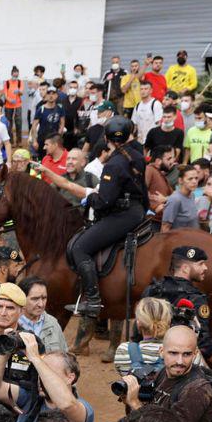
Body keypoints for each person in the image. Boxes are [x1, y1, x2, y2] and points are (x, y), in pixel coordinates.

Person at [67, 116, 148, 317]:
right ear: (130, 134)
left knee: (80, 248)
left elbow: (105, 201)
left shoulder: (114, 164)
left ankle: (93, 300)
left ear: (106, 137)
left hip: (122, 215)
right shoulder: (137, 154)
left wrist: (91, 197)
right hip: (137, 210)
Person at [16, 277, 67, 354]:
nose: (41, 304)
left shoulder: (53, 323)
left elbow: (64, 357)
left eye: (44, 298)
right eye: (35, 299)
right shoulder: (11, 324)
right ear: (21, 299)